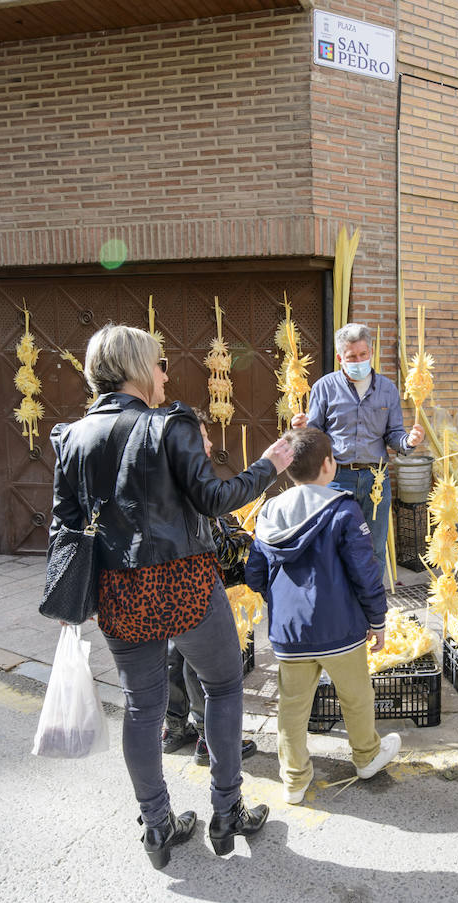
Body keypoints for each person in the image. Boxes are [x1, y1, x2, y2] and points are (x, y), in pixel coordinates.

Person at [49, 324, 293, 869]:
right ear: (138, 368)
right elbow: (214, 498)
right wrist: (271, 465)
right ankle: (227, 811)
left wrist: (67, 603)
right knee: (225, 684)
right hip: (182, 580)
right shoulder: (170, 424)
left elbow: (64, 527)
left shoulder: (73, 436)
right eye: (159, 364)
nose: (165, 373)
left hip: (118, 588)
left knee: (141, 707)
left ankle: (157, 826)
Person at [245, 427, 402, 805]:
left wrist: (280, 602)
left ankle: (294, 779)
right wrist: (377, 620)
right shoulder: (344, 509)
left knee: (292, 707)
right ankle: (366, 756)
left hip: (288, 633)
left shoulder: (269, 513)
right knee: (357, 696)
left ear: (288, 471)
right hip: (340, 629)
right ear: (330, 465)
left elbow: (254, 573)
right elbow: (366, 571)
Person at [162, 409, 259, 765]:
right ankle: (207, 736)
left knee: (174, 653)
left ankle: (174, 728)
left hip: (167, 585)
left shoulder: (162, 475)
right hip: (195, 586)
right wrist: (244, 539)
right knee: (198, 660)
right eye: (203, 436)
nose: (210, 443)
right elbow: (216, 545)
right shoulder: (192, 481)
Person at [290, 322, 424, 573]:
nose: (359, 360)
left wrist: (409, 442)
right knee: (332, 544)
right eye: (352, 357)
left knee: (373, 547)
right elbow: (314, 433)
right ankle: (338, 605)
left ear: (370, 352)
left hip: (376, 479)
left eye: (363, 355)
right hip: (336, 477)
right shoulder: (324, 387)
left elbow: (394, 434)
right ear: (341, 357)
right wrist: (300, 428)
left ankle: (372, 607)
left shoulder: (387, 389)